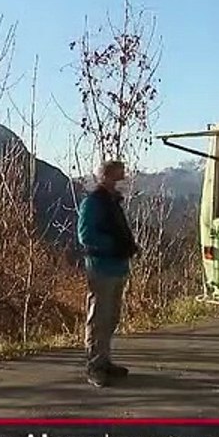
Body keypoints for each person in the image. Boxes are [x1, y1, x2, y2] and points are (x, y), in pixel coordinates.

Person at [76, 160, 139, 388]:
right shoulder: (93, 202)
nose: (119, 180)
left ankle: (104, 360)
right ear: (104, 177)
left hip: (117, 266)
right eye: (115, 176)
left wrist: (127, 246)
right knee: (99, 318)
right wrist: (115, 246)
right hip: (102, 267)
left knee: (111, 317)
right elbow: (86, 236)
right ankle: (94, 366)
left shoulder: (112, 202)